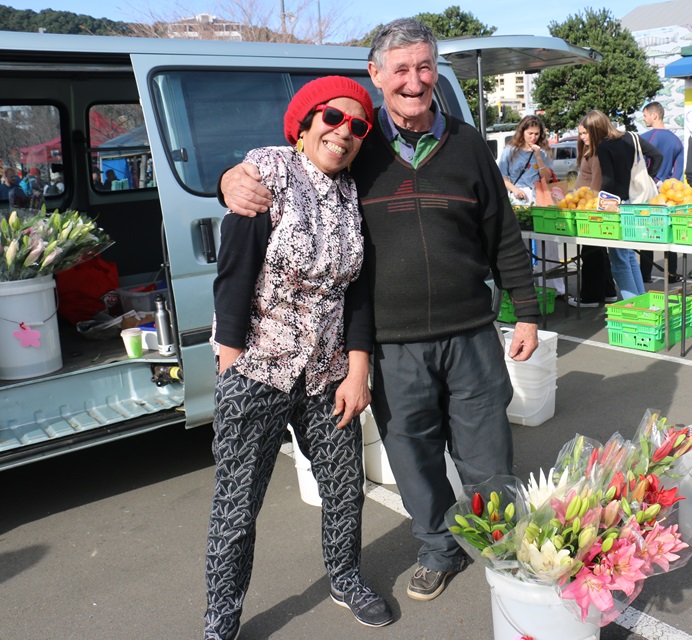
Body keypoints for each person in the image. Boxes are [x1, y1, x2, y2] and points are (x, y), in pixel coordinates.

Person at [219, 18, 540, 605]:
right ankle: (439, 551)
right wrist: (231, 178)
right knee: (413, 459)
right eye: (400, 69)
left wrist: (527, 311)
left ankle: (508, 552)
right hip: (392, 343)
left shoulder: (468, 145)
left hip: (470, 331)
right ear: (376, 76)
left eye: (424, 67)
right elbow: (288, 163)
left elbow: (503, 235)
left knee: (488, 455)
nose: (414, 82)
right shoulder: (357, 146)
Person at [205, 76, 392, 640]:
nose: (344, 133)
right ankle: (221, 619)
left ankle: (345, 577)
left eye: (357, 125)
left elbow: (356, 291)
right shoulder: (267, 172)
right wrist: (232, 360)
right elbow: (234, 270)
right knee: (237, 506)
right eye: (331, 119)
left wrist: (357, 370)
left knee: (342, 486)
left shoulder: (352, 193)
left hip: (327, 371)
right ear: (304, 124)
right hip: (259, 367)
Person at [595, 114, 663, 301]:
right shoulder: (632, 137)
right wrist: (647, 176)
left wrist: (600, 200)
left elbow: (608, 180)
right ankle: (641, 299)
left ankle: (633, 305)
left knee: (619, 262)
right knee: (630, 257)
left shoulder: (604, 146)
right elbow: (657, 155)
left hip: (618, 205)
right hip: (637, 202)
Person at [498, 114, 564, 298]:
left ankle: (554, 287)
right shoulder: (510, 151)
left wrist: (538, 156)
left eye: (536, 134)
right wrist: (514, 189)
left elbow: (547, 176)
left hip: (540, 195)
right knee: (521, 243)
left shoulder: (542, 152)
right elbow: (501, 176)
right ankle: (525, 287)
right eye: (530, 133)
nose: (533, 137)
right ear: (523, 132)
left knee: (548, 241)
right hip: (519, 197)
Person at [566, 110, 620, 308]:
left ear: (596, 131)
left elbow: (597, 184)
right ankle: (607, 291)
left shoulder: (598, 153)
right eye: (580, 134)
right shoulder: (594, 150)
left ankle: (590, 296)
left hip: (591, 208)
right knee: (597, 251)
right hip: (588, 206)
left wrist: (590, 205)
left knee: (591, 253)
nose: (582, 137)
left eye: (585, 133)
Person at [640, 101, 683, 284]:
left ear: (654, 115)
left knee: (647, 233)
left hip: (649, 190)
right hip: (669, 194)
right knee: (668, 231)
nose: (644, 118)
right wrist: (667, 186)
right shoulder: (676, 140)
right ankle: (671, 274)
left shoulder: (647, 137)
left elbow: (640, 165)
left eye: (645, 115)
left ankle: (645, 274)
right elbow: (678, 170)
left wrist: (653, 181)